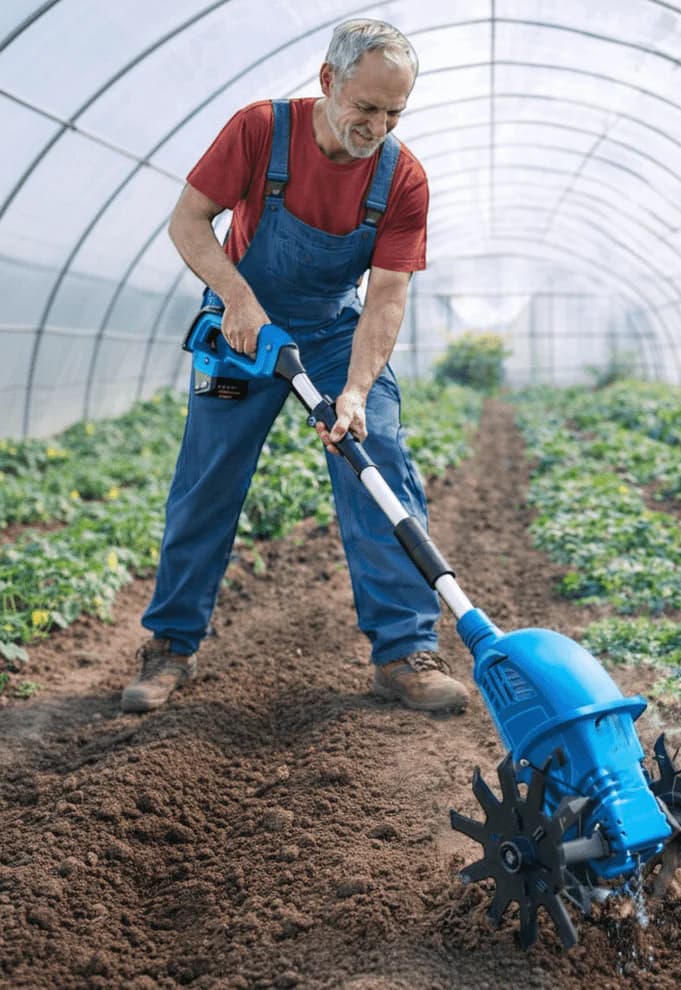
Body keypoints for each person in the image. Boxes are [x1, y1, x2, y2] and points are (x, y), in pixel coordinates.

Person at [121, 19, 469, 716]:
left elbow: (388, 294)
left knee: (380, 461)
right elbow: (189, 222)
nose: (376, 125)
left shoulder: (402, 177)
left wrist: (357, 392)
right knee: (207, 480)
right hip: (244, 326)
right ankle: (169, 647)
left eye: (394, 112)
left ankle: (403, 652)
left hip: (336, 330)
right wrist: (238, 299)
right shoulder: (258, 132)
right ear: (327, 81)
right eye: (364, 107)